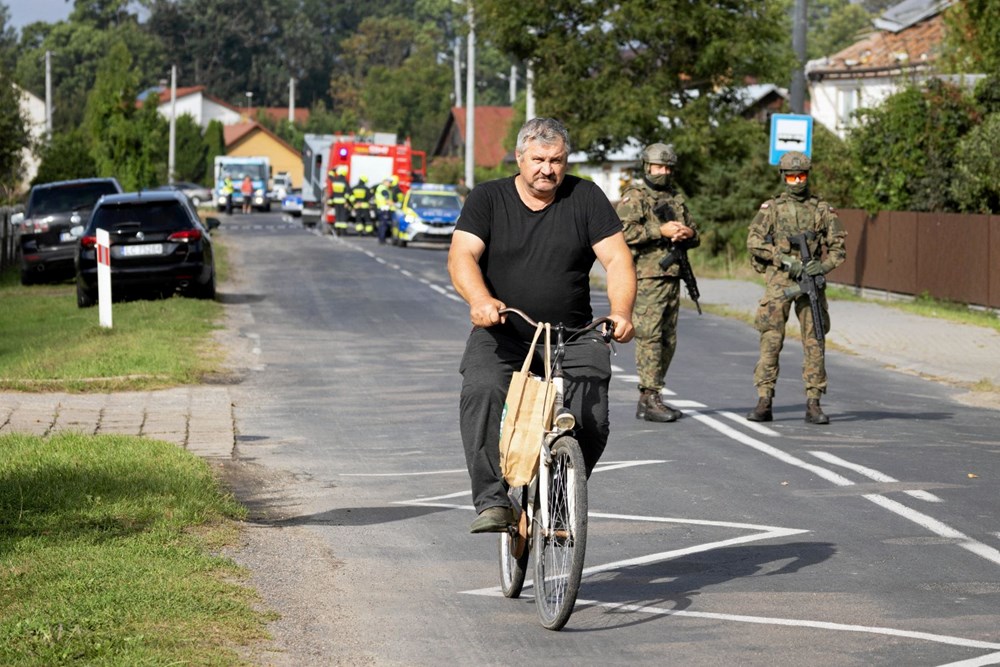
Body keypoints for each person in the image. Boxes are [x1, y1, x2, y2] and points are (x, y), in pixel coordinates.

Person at [448, 117, 637, 534]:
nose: (547, 169)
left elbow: (618, 259)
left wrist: (621, 311)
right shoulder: (488, 198)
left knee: (592, 417)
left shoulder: (585, 197)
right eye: (538, 159)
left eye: (556, 161)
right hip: (504, 331)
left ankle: (560, 499)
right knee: (482, 390)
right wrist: (480, 301)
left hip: (573, 334)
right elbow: (462, 256)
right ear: (519, 158)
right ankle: (494, 501)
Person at [745, 150, 847, 425]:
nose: (797, 181)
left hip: (810, 282)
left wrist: (821, 267)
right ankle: (764, 400)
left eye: (801, 176)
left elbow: (838, 248)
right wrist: (783, 259)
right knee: (771, 340)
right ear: (783, 177)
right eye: (792, 176)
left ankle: (814, 402)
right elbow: (753, 241)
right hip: (780, 281)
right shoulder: (772, 208)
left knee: (815, 341)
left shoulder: (822, 210)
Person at [616, 143, 699, 423]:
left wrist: (687, 233)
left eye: (667, 167)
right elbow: (622, 232)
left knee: (668, 339)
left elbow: (696, 232)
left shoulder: (676, 199)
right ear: (647, 167)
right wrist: (659, 230)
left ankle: (651, 396)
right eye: (658, 167)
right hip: (647, 277)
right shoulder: (635, 197)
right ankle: (650, 395)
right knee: (649, 337)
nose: (662, 172)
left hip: (672, 276)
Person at [327, 166, 350, 235]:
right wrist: (346, 201)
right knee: (342, 215)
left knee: (337, 215)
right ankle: (343, 231)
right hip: (342, 201)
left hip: (335, 201)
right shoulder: (345, 182)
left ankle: (337, 229)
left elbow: (330, 175)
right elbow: (347, 192)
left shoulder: (335, 180)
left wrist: (334, 169)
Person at [374, 177, 393, 244]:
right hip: (383, 208)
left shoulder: (383, 188)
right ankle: (382, 239)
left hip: (382, 208)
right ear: (385, 182)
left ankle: (381, 238)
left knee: (382, 224)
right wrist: (390, 202)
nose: (390, 184)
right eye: (389, 182)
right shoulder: (382, 188)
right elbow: (385, 195)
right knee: (383, 225)